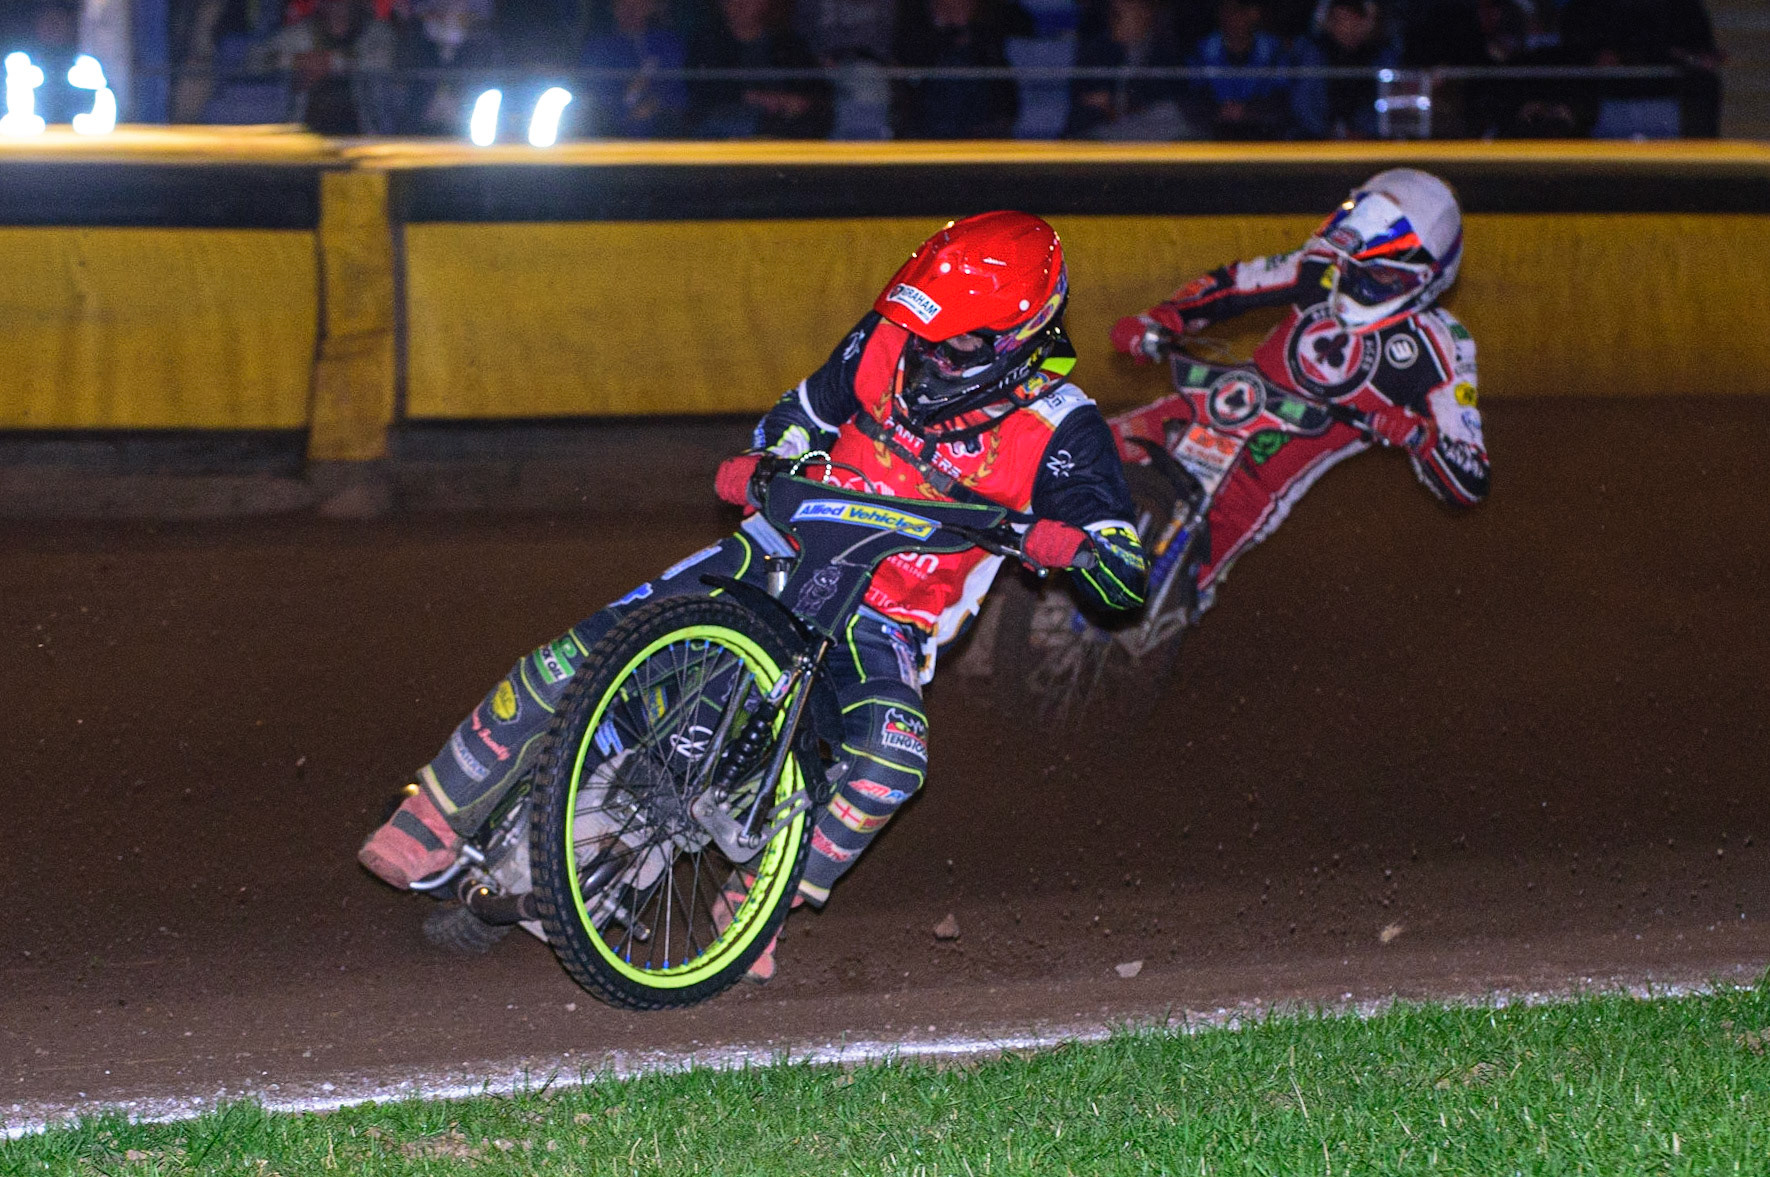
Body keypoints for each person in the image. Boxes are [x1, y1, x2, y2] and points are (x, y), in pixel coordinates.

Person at [360, 212, 1149, 981]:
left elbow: (1120, 558)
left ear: (1017, 342)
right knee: (579, 652)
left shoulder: (1064, 429)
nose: (927, 354)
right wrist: (772, 454)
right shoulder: (887, 340)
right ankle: (435, 812)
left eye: (957, 343)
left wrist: (1089, 549)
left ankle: (761, 900)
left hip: (885, 620)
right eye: (922, 326)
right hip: (780, 548)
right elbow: (799, 416)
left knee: (892, 761)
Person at [1110, 169, 1489, 613]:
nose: (1358, 277)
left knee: (1161, 599)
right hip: (1209, 405)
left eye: (1380, 273)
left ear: (1422, 277)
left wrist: (1418, 435)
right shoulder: (1321, 266)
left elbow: (1471, 477)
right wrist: (1162, 319)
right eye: (1359, 262)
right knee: (1075, 455)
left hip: (1257, 480)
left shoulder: (1442, 345)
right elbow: (1234, 284)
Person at [1289, 0, 1400, 139]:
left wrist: (1364, 133)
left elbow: (1389, 103)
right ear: (1328, 22)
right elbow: (1304, 106)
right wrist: (1328, 132)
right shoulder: (1311, 54)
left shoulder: (1382, 57)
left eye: (1354, 19)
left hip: (1370, 142)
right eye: (1339, 19)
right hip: (1315, 141)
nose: (1347, 26)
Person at [1184, 0, 1292, 139]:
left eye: (1237, 10)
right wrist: (1217, 110)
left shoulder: (1273, 50)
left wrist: (1249, 111)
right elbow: (1193, 93)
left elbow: (1282, 95)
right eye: (1226, 11)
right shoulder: (1203, 49)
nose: (1231, 17)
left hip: (1263, 133)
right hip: (1215, 132)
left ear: (1254, 14)